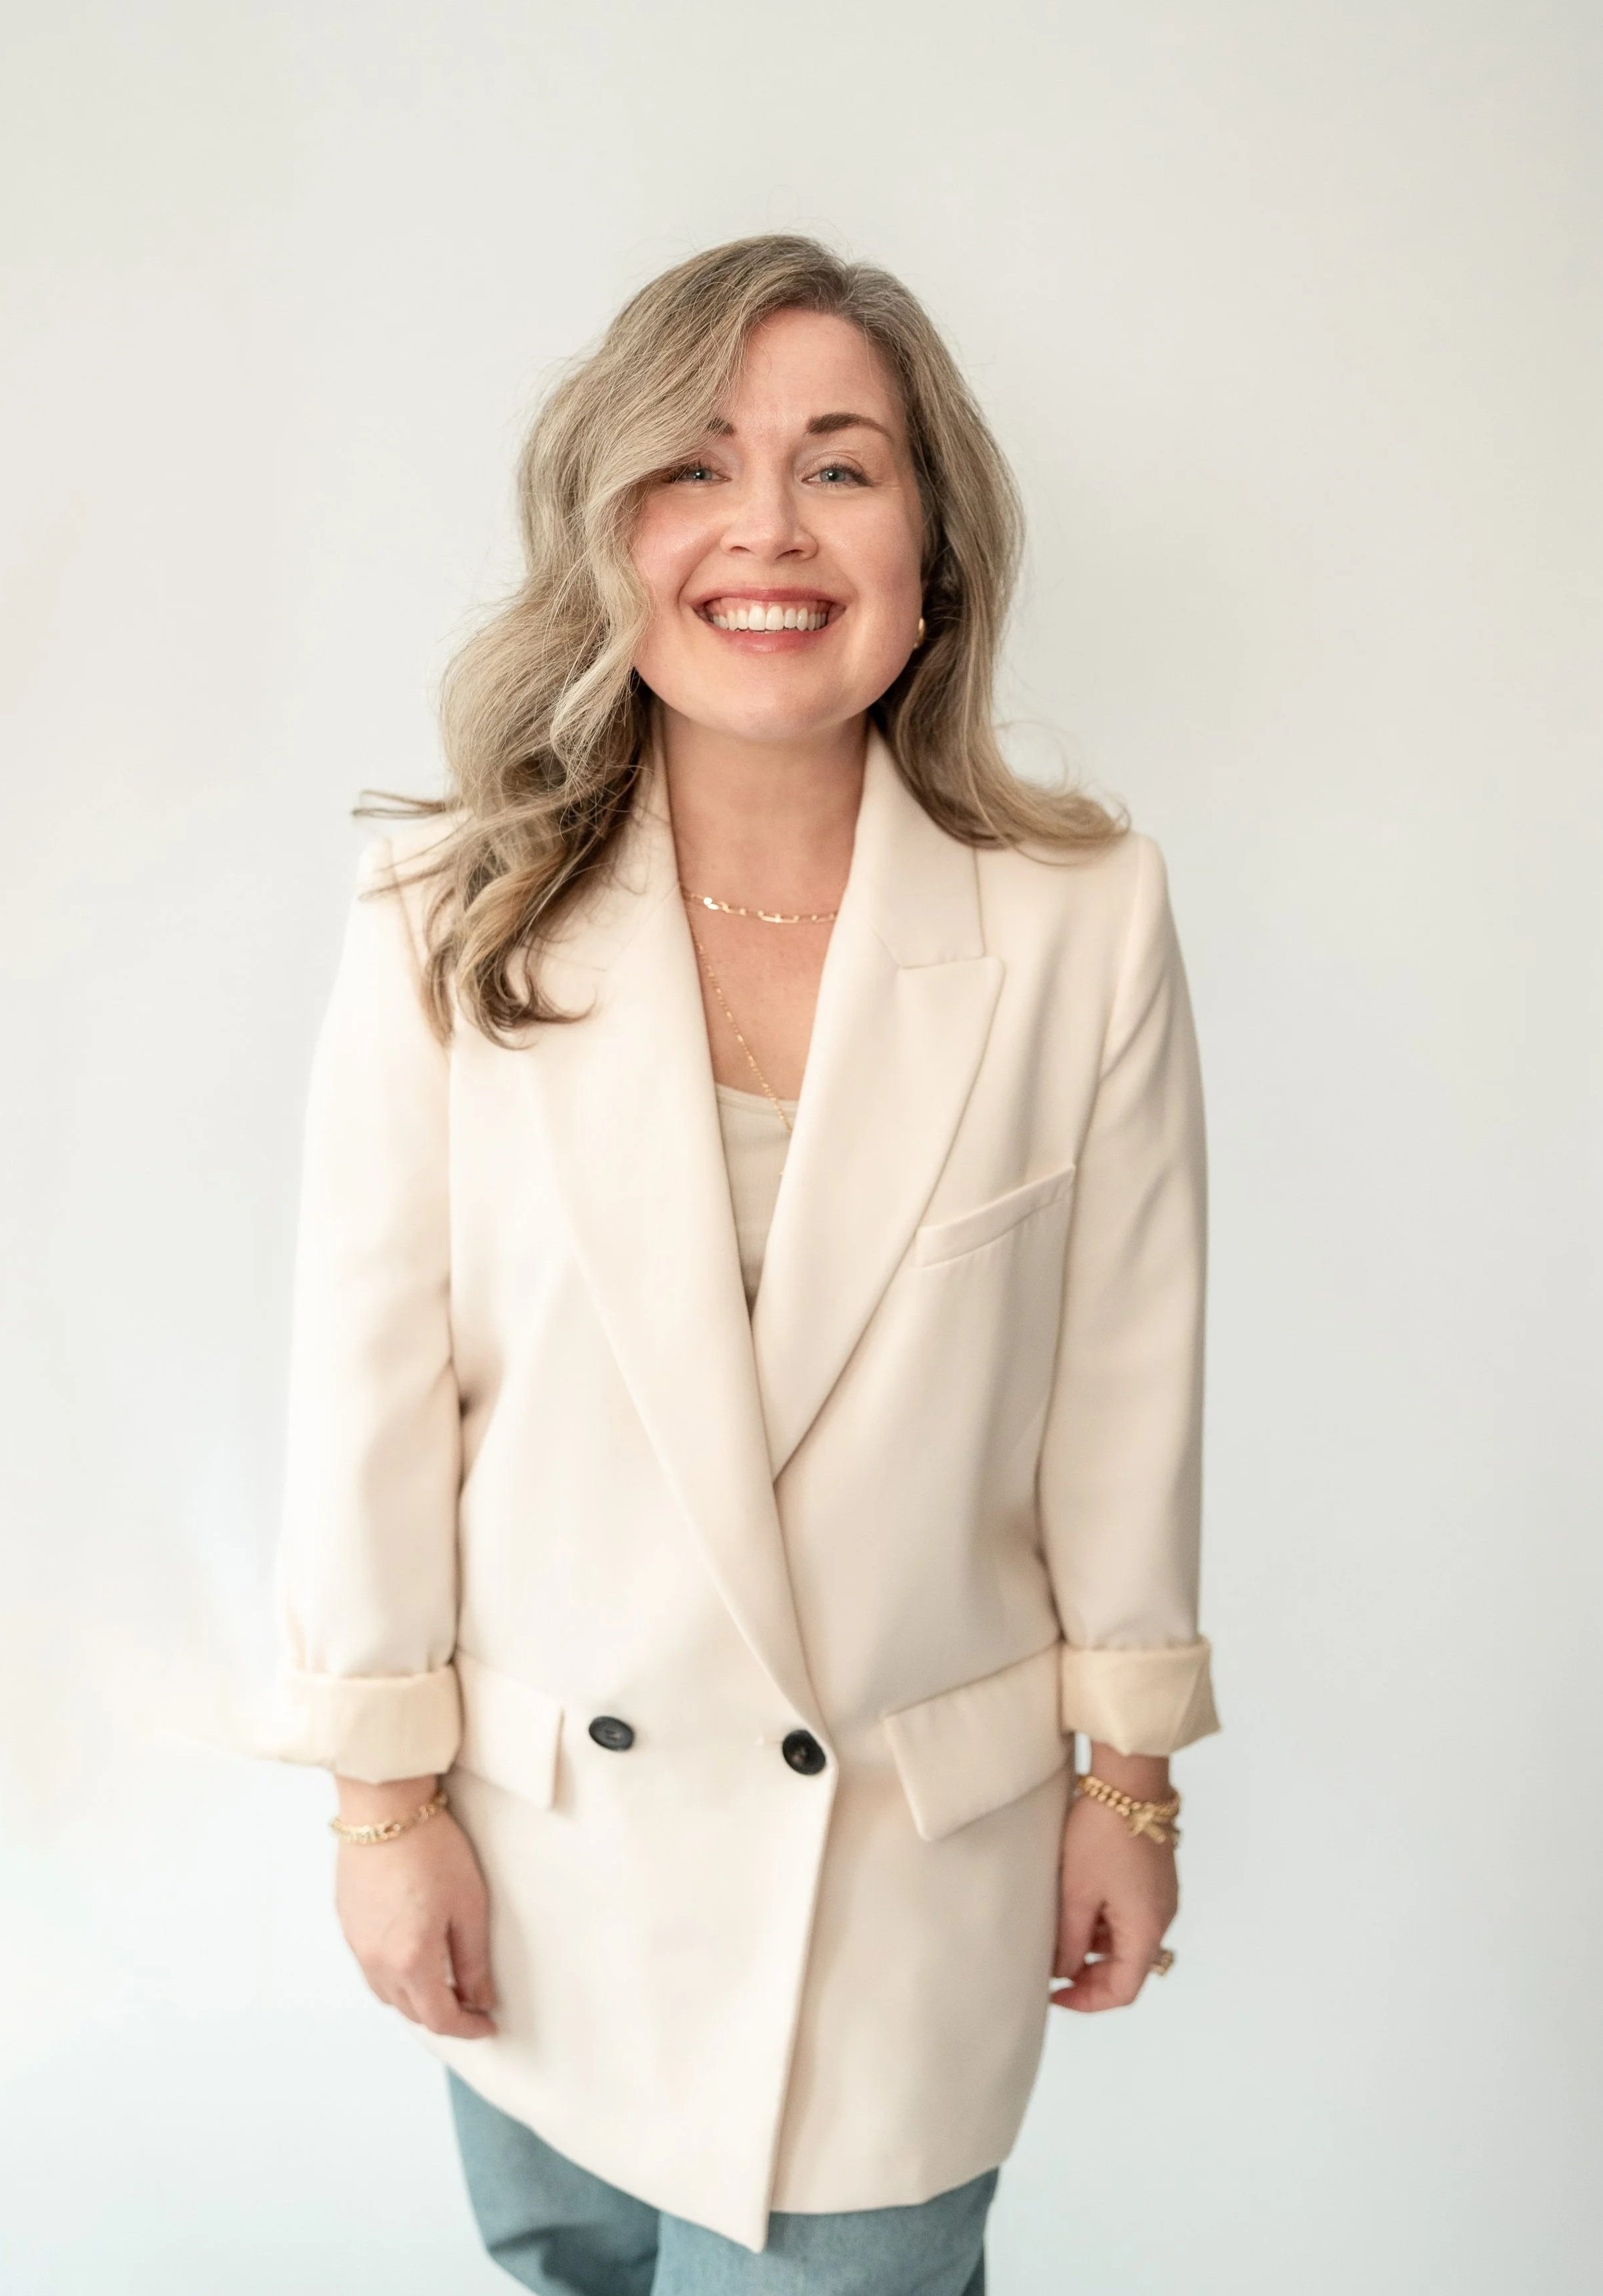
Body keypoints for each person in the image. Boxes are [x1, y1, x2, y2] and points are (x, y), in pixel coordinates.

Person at [268, 233, 1219, 2295]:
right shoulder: (446, 910)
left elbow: (1123, 1393)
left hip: (898, 1866)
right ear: (609, 531)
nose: (766, 529)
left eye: (842, 466)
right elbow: (371, 1384)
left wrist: (1131, 1783)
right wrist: (379, 1799)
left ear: (934, 548)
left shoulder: (1083, 920)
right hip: (549, 1858)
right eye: (697, 464)